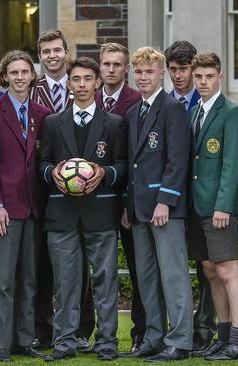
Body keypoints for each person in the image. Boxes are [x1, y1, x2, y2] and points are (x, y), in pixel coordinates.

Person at [39, 56, 126, 362]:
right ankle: (65, 342)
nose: (82, 85)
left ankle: (107, 343)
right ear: (69, 84)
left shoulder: (114, 124)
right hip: (62, 214)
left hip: (100, 214)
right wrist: (52, 173)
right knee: (65, 284)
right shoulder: (51, 122)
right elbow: (42, 163)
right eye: (76, 79)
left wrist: (104, 173)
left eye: (88, 79)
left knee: (105, 282)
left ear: (98, 83)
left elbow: (122, 166)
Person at [0, 50, 51, 362]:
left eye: (25, 72)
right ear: (5, 76)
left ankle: (23, 340)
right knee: (4, 280)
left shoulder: (42, 114)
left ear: (33, 76)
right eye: (14, 72)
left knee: (30, 280)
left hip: (34, 209)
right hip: (5, 210)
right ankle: (2, 343)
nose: (20, 77)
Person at [120, 47, 192, 362]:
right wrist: (127, 205)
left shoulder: (173, 108)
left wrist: (165, 200)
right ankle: (153, 337)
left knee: (173, 275)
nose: (144, 77)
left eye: (149, 71)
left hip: (165, 209)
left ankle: (180, 341)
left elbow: (177, 161)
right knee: (146, 276)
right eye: (139, 72)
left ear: (161, 73)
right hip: (138, 209)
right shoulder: (133, 112)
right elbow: (132, 165)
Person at [30, 29, 94, 353]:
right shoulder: (30, 89)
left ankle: (82, 328)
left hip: (82, 193)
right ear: (39, 56)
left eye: (57, 50)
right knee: (42, 265)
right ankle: (43, 329)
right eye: (45, 51)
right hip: (40, 189)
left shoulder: (80, 84)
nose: (52, 56)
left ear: (65, 53)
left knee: (80, 264)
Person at [187, 53, 238, 361]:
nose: (202, 82)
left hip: (217, 208)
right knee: (210, 271)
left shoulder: (232, 112)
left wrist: (225, 205)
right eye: (198, 77)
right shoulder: (193, 110)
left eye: (208, 76)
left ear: (220, 77)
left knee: (228, 271)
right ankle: (222, 336)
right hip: (196, 206)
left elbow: (233, 163)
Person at [164, 39, 216, 354]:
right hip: (171, 199)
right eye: (173, 70)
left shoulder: (208, 101)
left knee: (206, 267)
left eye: (184, 69)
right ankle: (175, 327)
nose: (179, 76)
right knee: (172, 267)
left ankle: (205, 327)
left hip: (201, 199)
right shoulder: (163, 102)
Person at [94, 42, 144, 353]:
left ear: (126, 69)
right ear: (100, 67)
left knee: (140, 271)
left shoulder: (137, 101)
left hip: (128, 200)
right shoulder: (90, 99)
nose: (111, 69)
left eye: (117, 64)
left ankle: (142, 332)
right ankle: (92, 332)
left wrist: (129, 202)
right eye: (106, 64)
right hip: (96, 202)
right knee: (98, 271)